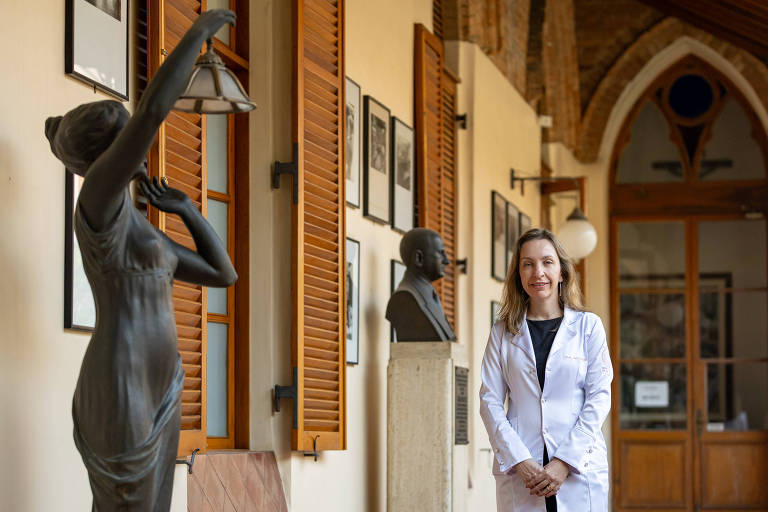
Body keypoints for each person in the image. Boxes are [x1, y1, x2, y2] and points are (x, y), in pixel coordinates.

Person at [44, 10, 238, 511]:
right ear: (107, 159)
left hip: (162, 381)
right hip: (120, 381)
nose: (139, 150)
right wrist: (197, 33)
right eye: (125, 144)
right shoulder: (98, 206)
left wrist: (189, 210)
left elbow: (223, 274)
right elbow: (152, 112)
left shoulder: (142, 231)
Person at [479, 228, 612, 511]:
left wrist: (564, 463)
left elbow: (599, 398)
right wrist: (520, 460)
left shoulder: (588, 328)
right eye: (527, 264)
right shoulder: (502, 332)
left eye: (547, 262)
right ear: (519, 274)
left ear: (562, 272)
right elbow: (489, 400)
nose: (537, 272)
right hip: (521, 473)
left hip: (578, 469)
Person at [386, 228, 456, 341]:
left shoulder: (431, 296)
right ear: (418, 258)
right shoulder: (404, 299)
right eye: (440, 253)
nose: (446, 261)